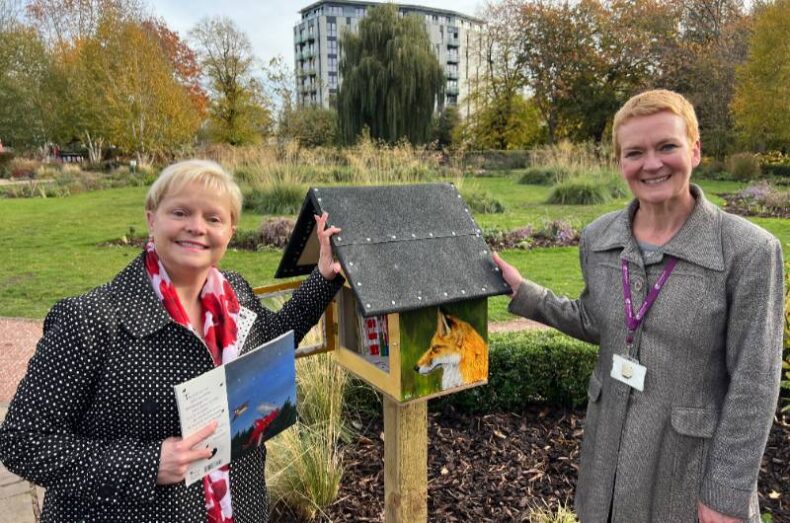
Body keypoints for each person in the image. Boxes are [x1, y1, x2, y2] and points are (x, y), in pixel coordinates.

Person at [494, 90, 783, 523]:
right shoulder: (599, 237)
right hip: (606, 458)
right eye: (635, 152)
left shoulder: (749, 252)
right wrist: (526, 294)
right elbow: (600, 320)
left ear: (696, 149)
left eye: (667, 146)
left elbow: (755, 383)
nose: (651, 164)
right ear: (620, 162)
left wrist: (725, 494)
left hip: (687, 473)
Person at [0, 159, 344, 522]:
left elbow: (271, 344)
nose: (196, 227)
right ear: (152, 218)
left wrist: (322, 279)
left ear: (230, 231)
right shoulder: (91, 320)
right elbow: (23, 441)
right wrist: (147, 464)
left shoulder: (236, 295)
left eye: (213, 218)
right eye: (180, 212)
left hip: (237, 508)